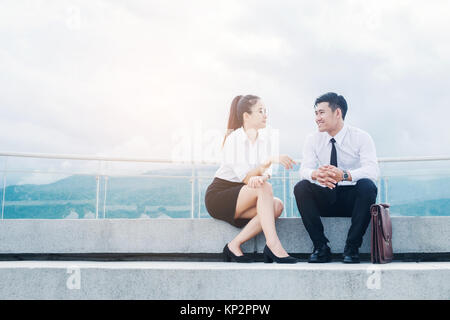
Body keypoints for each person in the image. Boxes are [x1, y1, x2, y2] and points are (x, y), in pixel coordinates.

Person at [205, 95, 298, 263]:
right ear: (246, 116)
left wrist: (262, 176)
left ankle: (234, 245)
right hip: (221, 194)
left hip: (245, 191)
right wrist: (267, 164)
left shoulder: (263, 140)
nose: (265, 115)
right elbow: (247, 177)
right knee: (265, 188)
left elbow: (265, 173)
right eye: (260, 111)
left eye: (265, 111)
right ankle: (273, 244)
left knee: (277, 205)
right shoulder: (234, 139)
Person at [294, 92, 379, 263]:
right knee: (301, 187)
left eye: (321, 113)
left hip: (352, 201)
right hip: (326, 197)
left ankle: (352, 247)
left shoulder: (361, 137)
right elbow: (304, 169)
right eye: (316, 113)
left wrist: (345, 175)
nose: (317, 118)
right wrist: (316, 174)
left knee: (367, 186)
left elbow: (373, 171)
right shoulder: (312, 139)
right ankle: (320, 247)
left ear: (337, 113)